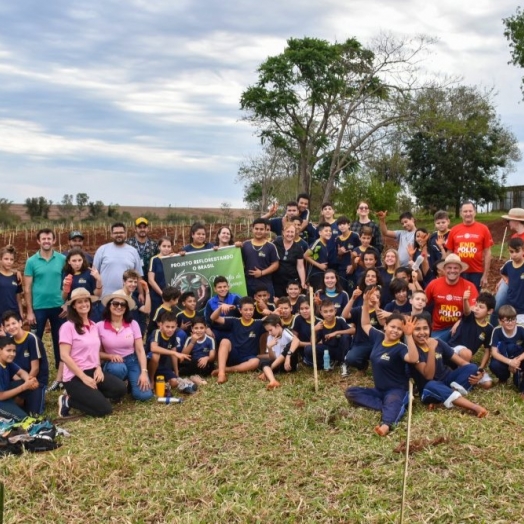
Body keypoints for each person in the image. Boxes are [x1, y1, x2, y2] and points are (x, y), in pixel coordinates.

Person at [345, 289, 419, 436]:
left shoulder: (400, 348)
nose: (395, 331)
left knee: (393, 400)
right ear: (385, 326)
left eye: (399, 329)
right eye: (392, 327)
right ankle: (389, 405)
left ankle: (386, 424)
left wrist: (409, 336)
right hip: (379, 391)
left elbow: (413, 358)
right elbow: (365, 324)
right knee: (351, 393)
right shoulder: (378, 337)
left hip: (397, 389)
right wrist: (365, 303)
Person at [58, 288, 127, 417]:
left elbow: (95, 352)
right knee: (104, 410)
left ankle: (92, 395)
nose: (84, 304)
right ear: (73, 305)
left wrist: (98, 368)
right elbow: (64, 356)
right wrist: (84, 378)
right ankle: (68, 400)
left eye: (86, 301)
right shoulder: (68, 327)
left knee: (121, 389)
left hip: (93, 370)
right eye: (79, 302)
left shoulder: (93, 325)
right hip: (75, 376)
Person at [409, 313, 488, 417]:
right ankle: (474, 407)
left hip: (448, 380)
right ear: (411, 331)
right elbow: (429, 376)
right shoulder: (413, 351)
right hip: (430, 388)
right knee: (432, 385)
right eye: (417, 329)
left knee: (472, 367)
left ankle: (444, 397)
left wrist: (479, 374)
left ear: (430, 328)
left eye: (425, 328)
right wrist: (431, 350)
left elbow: (462, 363)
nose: (422, 332)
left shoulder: (438, 342)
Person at [97, 290, 154, 402]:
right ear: (109, 306)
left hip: (132, 360)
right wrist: (110, 356)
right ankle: (117, 389)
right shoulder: (99, 326)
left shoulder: (133, 324)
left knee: (145, 396)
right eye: (115, 303)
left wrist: (143, 372)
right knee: (118, 368)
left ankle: (130, 384)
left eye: (123, 304)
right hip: (113, 362)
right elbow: (96, 353)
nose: (119, 306)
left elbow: (140, 350)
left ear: (126, 308)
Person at [24, 228, 66, 375]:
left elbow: (68, 282)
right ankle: (34, 369)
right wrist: (29, 311)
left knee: (60, 339)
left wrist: (67, 303)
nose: (46, 241)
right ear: (39, 241)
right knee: (35, 340)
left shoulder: (62, 259)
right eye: (44, 239)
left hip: (59, 307)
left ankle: (60, 370)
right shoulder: (31, 261)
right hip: (38, 308)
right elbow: (27, 288)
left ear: (54, 240)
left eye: (49, 238)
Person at [2, 310, 49, 415]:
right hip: (20, 380)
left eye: (14, 323)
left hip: (35, 380)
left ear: (20, 322)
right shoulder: (9, 340)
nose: (11, 327)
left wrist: (25, 388)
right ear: (4, 328)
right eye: (7, 325)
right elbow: (12, 368)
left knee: (33, 414)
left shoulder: (32, 339)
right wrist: (21, 389)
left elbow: (35, 368)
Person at [210, 297, 265, 384]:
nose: (248, 312)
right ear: (240, 310)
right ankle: (221, 374)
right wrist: (220, 308)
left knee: (256, 361)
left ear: (254, 310)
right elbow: (214, 317)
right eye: (245, 310)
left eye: (251, 309)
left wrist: (269, 312)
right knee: (225, 341)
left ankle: (226, 369)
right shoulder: (234, 321)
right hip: (234, 354)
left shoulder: (258, 323)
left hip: (248, 358)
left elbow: (273, 319)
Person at [424, 254, 479, 342]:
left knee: (464, 354)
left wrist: (460, 322)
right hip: (439, 329)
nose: (452, 270)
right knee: (435, 352)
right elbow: (423, 302)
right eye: (449, 268)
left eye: (456, 268)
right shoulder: (434, 284)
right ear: (444, 269)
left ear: (460, 270)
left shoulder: (469, 286)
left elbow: (473, 310)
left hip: (460, 328)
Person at [449, 291, 495, 389]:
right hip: (452, 351)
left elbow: (487, 351)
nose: (477, 308)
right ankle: (459, 382)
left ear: (490, 311)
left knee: (487, 383)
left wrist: (481, 369)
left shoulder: (489, 328)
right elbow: (466, 311)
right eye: (476, 305)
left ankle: (467, 377)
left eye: (481, 307)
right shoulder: (470, 317)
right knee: (467, 353)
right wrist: (465, 300)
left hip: (465, 360)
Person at [445, 201, 493, 290]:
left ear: (475, 212)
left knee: (474, 300)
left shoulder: (483, 229)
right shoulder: (454, 230)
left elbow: (487, 253)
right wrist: (446, 272)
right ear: (461, 213)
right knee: (457, 297)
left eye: (470, 211)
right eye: (465, 211)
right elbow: (449, 252)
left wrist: (485, 275)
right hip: (457, 271)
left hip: (476, 272)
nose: (468, 214)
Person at [341, 286, 383, 376]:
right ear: (364, 295)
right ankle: (362, 366)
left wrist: (376, 305)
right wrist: (353, 299)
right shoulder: (358, 310)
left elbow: (382, 323)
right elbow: (344, 315)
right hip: (360, 343)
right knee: (351, 358)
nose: (373, 297)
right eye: (371, 295)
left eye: (377, 296)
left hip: (376, 344)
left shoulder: (379, 311)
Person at [93, 222, 143, 296]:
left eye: (121, 232)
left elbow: (138, 275)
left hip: (126, 297)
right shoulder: (102, 249)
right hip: (105, 296)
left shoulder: (133, 251)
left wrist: (141, 293)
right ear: (111, 234)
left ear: (125, 234)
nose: (119, 235)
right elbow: (94, 273)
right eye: (116, 233)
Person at [145, 310, 191, 388]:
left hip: (161, 365)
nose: (170, 329)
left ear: (176, 326)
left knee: (174, 383)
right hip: (148, 363)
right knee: (156, 355)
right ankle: (151, 379)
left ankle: (161, 381)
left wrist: (176, 373)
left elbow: (174, 351)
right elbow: (154, 348)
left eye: (172, 327)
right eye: (167, 326)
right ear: (161, 325)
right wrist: (174, 353)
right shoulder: (156, 332)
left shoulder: (173, 334)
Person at [304, 299, 353, 370]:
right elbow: (313, 343)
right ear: (321, 312)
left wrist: (336, 332)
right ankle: (327, 363)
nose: (329, 314)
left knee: (346, 337)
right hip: (327, 351)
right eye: (325, 312)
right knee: (308, 349)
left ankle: (344, 362)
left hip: (341, 349)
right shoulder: (320, 324)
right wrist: (314, 330)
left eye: (331, 311)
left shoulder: (340, 320)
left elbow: (353, 330)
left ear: (335, 311)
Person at [494, 208, 524, 320]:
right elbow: (510, 261)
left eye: (509, 220)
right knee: (497, 304)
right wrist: (502, 279)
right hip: (512, 275)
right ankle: (493, 329)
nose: (508, 223)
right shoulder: (514, 237)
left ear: (516, 221)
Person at [0, 335, 40, 420]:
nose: (12, 354)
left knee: (31, 386)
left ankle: (31, 412)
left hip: (5, 394)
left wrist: (29, 380)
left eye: (14, 351)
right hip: (1, 399)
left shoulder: (7, 362)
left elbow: (21, 372)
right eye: (8, 350)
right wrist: (24, 386)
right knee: (23, 419)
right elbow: (1, 396)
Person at [489, 305, 524, 396]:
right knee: (494, 364)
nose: (510, 322)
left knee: (518, 383)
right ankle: (503, 378)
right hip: (504, 358)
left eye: (513, 319)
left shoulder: (521, 329)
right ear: (500, 321)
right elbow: (494, 352)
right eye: (507, 320)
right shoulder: (497, 331)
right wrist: (509, 362)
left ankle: (521, 386)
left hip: (519, 358)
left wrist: (517, 361)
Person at [257, 314, 300, 389]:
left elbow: (296, 341)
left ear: (277, 326)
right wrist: (269, 347)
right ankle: (272, 380)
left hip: (289, 363)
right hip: (278, 365)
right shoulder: (270, 337)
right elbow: (272, 358)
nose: (270, 333)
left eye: (271, 330)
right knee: (263, 362)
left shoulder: (285, 332)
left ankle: (267, 372)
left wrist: (288, 356)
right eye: (268, 331)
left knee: (289, 345)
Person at [241, 218, 280, 298]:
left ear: (266, 230)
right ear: (252, 229)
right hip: (249, 283)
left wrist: (262, 273)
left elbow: (275, 264)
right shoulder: (245, 245)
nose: (258, 231)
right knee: (249, 308)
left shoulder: (271, 246)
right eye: (256, 229)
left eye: (261, 229)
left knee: (267, 308)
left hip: (265, 283)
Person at [272, 222, 306, 297]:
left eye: (292, 232)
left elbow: (300, 267)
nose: (290, 234)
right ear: (283, 232)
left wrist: (303, 282)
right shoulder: (276, 244)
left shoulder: (298, 248)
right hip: (277, 280)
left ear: (295, 233)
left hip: (291, 281)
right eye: (288, 231)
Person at [148, 236, 174, 316]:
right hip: (157, 296)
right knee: (157, 317)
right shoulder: (154, 260)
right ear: (159, 247)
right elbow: (151, 280)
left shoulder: (174, 258)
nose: (166, 248)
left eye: (169, 246)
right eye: (164, 246)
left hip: (171, 297)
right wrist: (162, 295)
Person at [499, 238, 524, 323]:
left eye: (517, 251)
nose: (514, 255)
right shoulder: (508, 264)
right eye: (511, 252)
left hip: (522, 306)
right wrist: (506, 279)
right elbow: (502, 272)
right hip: (510, 303)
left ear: (523, 251)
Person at [335, 216, 361, 292]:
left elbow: (360, 252)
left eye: (344, 224)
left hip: (353, 269)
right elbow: (338, 258)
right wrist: (340, 254)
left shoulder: (355, 236)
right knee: (343, 290)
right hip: (342, 270)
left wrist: (353, 266)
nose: (342, 226)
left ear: (349, 225)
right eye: (339, 224)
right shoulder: (337, 239)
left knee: (352, 290)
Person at [304, 221, 332, 291]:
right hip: (315, 274)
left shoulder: (327, 244)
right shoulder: (317, 243)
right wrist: (319, 265)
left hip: (323, 274)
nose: (328, 232)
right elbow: (306, 256)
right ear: (320, 233)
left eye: (330, 231)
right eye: (326, 231)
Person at [0, 245, 23, 320]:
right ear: (1, 259)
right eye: (6, 259)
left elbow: (18, 299)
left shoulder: (16, 277)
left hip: (13, 315)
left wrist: (21, 314)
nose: (9, 262)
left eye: (11, 259)